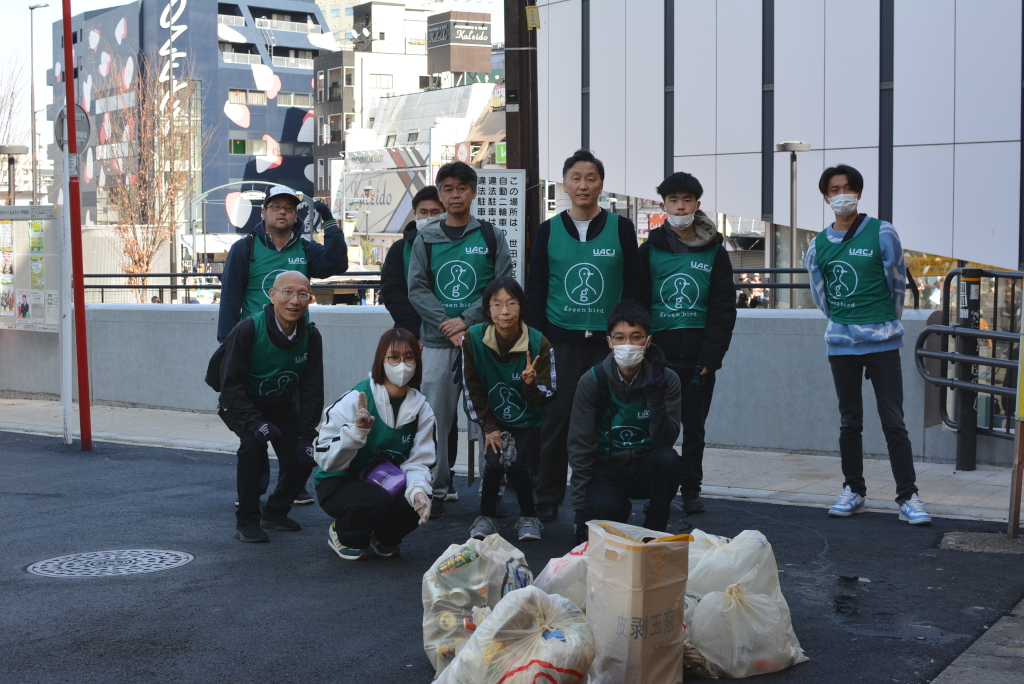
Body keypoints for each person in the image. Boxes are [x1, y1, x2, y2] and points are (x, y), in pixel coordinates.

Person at [806, 163, 931, 525]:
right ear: (826, 196)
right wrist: (845, 324)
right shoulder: (817, 245)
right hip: (841, 345)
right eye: (833, 189)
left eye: (847, 188)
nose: (840, 194)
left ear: (858, 193)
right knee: (850, 421)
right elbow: (822, 298)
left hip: (882, 342)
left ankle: (908, 496)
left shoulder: (882, 232)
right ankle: (853, 490)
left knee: (894, 421)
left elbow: (897, 286)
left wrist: (883, 323)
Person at [527, 149, 643, 523]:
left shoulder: (620, 227)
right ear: (564, 184)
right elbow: (537, 289)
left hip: (609, 346)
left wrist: (629, 337)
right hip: (561, 343)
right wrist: (539, 342)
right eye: (575, 177)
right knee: (556, 422)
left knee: (607, 422)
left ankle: (603, 496)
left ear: (601, 185)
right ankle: (547, 496)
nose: (582, 185)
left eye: (590, 178)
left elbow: (635, 284)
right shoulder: (548, 230)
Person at [217, 185, 348, 506]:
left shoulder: (304, 249)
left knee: (291, 416)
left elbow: (336, 264)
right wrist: (227, 344)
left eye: (289, 208)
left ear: (295, 216)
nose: (282, 212)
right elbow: (231, 297)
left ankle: (292, 486)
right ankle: (253, 491)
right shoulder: (244, 249)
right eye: (275, 207)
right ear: (263, 213)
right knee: (254, 427)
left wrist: (329, 222)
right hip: (252, 346)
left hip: (291, 347)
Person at [408, 161, 514, 518]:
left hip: (483, 341)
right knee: (436, 419)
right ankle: (436, 489)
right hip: (438, 343)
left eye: (462, 188)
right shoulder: (426, 237)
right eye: (448, 188)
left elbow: (501, 285)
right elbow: (417, 287)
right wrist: (445, 324)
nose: (455, 194)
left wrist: (466, 321)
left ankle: (492, 488)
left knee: (490, 415)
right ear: (440, 194)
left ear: (473, 191)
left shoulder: (490, 235)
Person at [638, 172, 736, 514]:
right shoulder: (649, 250)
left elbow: (723, 308)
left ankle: (691, 488)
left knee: (695, 427)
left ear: (697, 204)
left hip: (698, 358)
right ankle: (655, 486)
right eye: (674, 200)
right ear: (663, 205)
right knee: (654, 425)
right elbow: (637, 302)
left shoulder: (715, 252)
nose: (681, 207)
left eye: (687, 200)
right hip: (657, 355)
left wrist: (711, 355)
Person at [218, 271, 324, 543]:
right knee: (253, 447)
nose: (295, 300)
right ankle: (247, 521)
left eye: (302, 294)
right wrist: (255, 423)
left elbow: (312, 389)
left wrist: (306, 432)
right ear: (272, 295)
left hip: (281, 404)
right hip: (241, 404)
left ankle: (275, 511)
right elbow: (229, 387)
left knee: (305, 456)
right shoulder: (248, 329)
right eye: (287, 292)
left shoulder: (311, 336)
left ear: (309, 300)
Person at [313, 328, 436, 560]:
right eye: (394, 357)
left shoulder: (422, 409)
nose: (403, 364)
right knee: (376, 501)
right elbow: (324, 457)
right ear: (381, 360)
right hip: (339, 482)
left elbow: (419, 461)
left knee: (420, 499)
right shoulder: (357, 398)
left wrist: (419, 492)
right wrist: (356, 433)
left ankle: (383, 537)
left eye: (409, 357)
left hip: (386, 482)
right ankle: (342, 533)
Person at [568, 301, 683, 545]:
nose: (627, 345)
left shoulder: (667, 379)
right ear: (609, 342)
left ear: (648, 341)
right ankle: (617, 508)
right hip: (607, 466)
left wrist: (656, 401)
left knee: (670, 460)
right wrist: (580, 510)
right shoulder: (592, 380)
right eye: (619, 338)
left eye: (635, 337)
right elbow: (580, 445)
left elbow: (666, 440)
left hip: (646, 465)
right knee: (603, 511)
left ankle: (655, 529)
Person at [380, 186, 462, 502]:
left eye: (435, 211)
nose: (429, 217)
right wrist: (417, 334)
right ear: (415, 215)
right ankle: (419, 476)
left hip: (455, 338)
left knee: (447, 416)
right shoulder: (401, 249)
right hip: (415, 343)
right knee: (417, 412)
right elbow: (395, 293)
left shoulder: (456, 245)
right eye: (423, 212)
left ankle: (445, 476)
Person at [462, 277, 556, 542]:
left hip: (526, 418)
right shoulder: (472, 338)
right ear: (488, 309)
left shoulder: (539, 343)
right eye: (497, 304)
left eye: (511, 304)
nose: (504, 311)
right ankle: (486, 516)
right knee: (493, 464)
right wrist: (489, 426)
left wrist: (531, 384)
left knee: (518, 465)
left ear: (521, 307)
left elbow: (547, 395)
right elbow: (471, 387)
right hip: (491, 416)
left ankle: (528, 516)